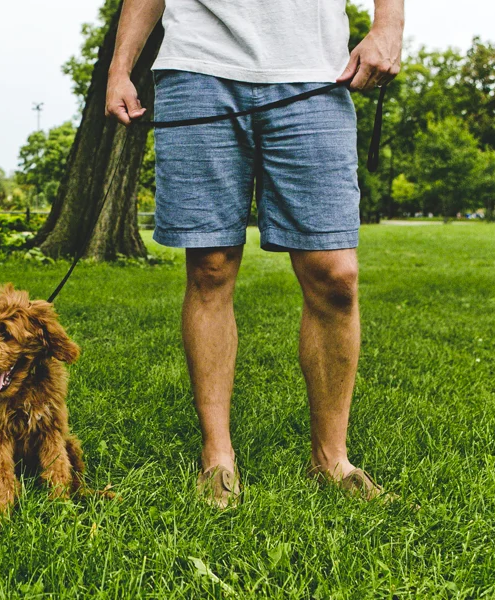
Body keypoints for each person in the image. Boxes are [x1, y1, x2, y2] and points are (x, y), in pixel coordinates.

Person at [106, 0, 403, 507]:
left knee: (336, 275)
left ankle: (332, 458)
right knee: (211, 268)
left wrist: (388, 26)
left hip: (316, 71)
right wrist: (120, 67)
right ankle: (217, 455)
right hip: (198, 68)